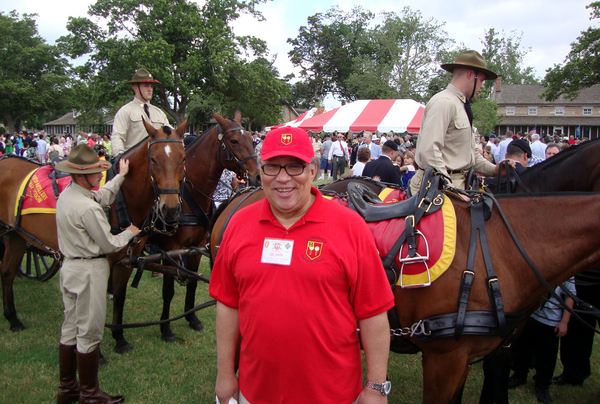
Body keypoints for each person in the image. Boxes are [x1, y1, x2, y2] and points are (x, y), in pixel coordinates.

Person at [210, 126, 394, 404]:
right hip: (256, 393)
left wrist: (377, 386)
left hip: (334, 395)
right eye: (272, 167)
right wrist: (225, 374)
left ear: (313, 170)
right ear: (260, 171)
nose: (283, 178)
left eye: (295, 167)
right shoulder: (238, 224)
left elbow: (373, 313)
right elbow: (227, 304)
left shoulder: (350, 227)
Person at [55, 145, 140, 404]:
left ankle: (68, 389)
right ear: (81, 175)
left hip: (69, 268)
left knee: (70, 329)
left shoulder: (68, 195)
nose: (99, 175)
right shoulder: (87, 209)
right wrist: (130, 232)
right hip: (89, 272)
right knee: (90, 332)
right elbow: (110, 245)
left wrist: (120, 176)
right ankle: (90, 394)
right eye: (94, 172)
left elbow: (102, 196)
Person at [411, 50, 505, 194]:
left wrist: (494, 170)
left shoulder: (461, 105)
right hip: (436, 190)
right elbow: (429, 151)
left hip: (456, 187)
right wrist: (451, 189)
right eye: (481, 80)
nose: (482, 86)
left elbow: (470, 156)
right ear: (470, 74)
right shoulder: (444, 102)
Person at [508, 278, 575, 404]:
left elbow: (570, 296)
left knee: (547, 355)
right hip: (532, 315)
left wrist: (564, 322)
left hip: (551, 321)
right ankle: (519, 375)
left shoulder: (567, 271)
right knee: (524, 347)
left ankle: (542, 385)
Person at [111, 68, 171, 156]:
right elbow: (117, 137)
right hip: (133, 163)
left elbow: (171, 134)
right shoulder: (125, 111)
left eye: (151, 86)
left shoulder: (159, 113)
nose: (150, 89)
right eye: (146, 86)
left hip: (156, 164)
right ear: (136, 88)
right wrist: (120, 158)